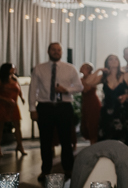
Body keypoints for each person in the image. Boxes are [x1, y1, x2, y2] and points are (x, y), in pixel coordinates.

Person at [28, 43, 83, 179]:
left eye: (59, 50)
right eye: (54, 50)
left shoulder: (70, 68)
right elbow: (33, 89)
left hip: (63, 106)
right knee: (45, 140)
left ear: (61, 52)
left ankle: (68, 169)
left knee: (66, 139)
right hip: (45, 106)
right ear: (48, 51)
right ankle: (46, 169)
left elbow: (79, 87)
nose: (56, 52)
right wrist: (32, 108)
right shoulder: (39, 68)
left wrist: (66, 89)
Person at [98, 55, 128, 146]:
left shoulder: (126, 75)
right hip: (108, 111)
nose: (114, 61)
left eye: (116, 59)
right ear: (107, 62)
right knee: (107, 139)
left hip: (122, 111)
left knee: (124, 140)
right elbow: (88, 82)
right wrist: (99, 70)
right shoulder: (103, 77)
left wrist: (126, 96)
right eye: (111, 59)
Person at [0, 63, 26, 156]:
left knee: (17, 126)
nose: (14, 69)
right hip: (3, 105)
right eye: (12, 68)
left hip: (14, 105)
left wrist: (22, 98)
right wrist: (6, 99)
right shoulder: (2, 80)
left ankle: (20, 146)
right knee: (1, 127)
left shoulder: (15, 79)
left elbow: (18, 90)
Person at [78, 63, 102, 144]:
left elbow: (87, 89)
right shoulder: (81, 79)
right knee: (86, 122)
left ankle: (94, 142)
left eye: (83, 67)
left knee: (93, 123)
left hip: (93, 103)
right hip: (85, 103)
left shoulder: (93, 78)